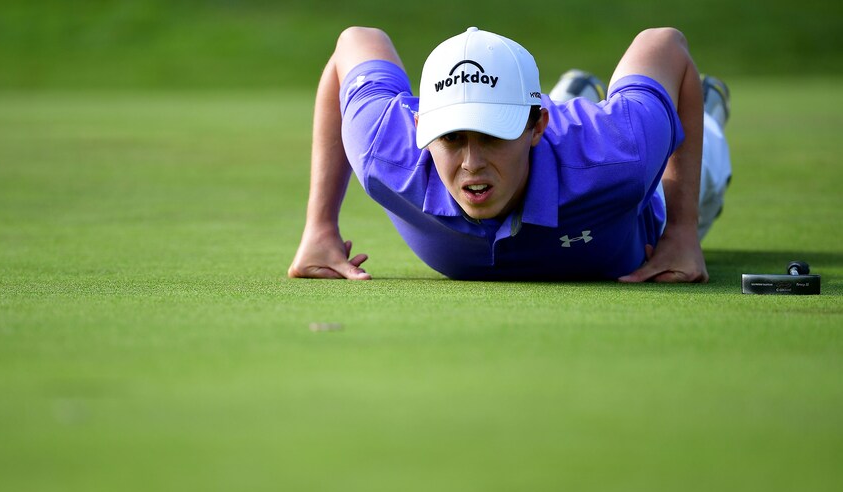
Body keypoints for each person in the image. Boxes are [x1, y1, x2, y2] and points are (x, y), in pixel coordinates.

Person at [288, 26, 732, 282]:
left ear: (537, 125)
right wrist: (319, 225)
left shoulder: (621, 153)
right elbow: (353, 41)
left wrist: (682, 230)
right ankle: (566, 92)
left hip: (646, 196)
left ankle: (710, 110)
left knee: (704, 146)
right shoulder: (383, 149)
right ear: (422, 126)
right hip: (550, 129)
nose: (471, 164)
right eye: (452, 138)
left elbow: (666, 45)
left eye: (493, 136)